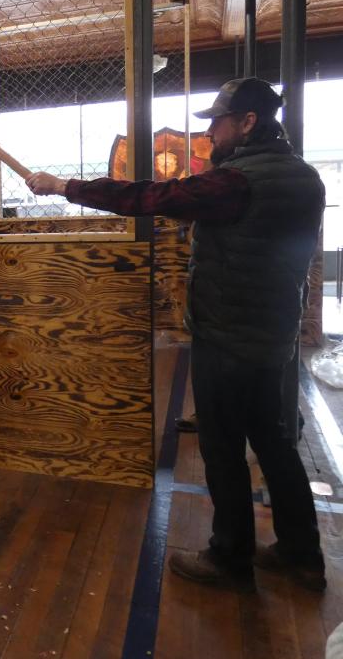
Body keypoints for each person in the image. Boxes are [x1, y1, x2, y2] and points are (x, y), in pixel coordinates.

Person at [26, 77, 326, 592]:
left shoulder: (237, 182)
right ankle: (301, 554)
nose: (210, 133)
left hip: (229, 334)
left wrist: (64, 187)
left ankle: (230, 558)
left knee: (223, 446)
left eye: (217, 122)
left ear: (248, 121)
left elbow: (151, 195)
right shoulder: (304, 177)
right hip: (272, 333)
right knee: (275, 444)